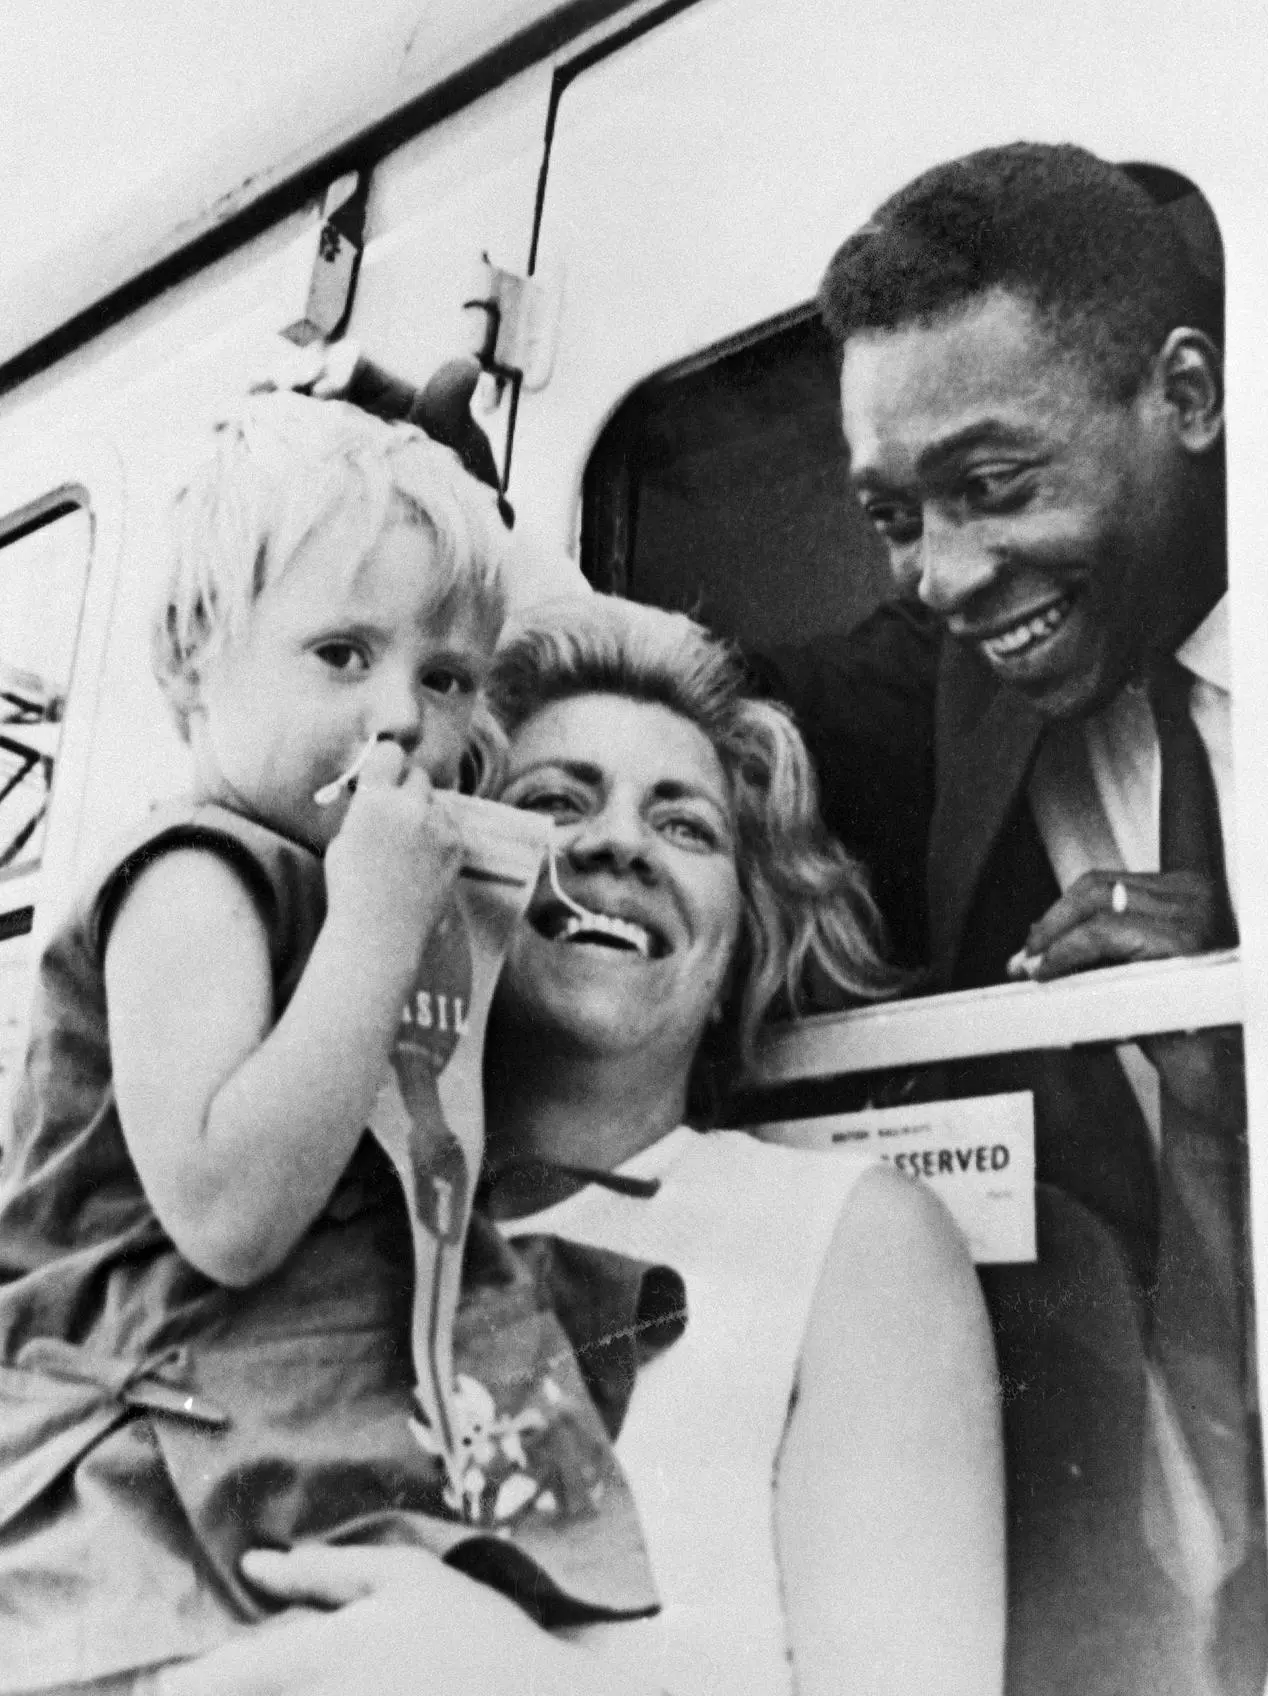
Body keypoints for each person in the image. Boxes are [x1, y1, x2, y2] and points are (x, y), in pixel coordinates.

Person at [162, 595, 1005, 1696]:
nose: (616, 844)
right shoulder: (292, 1219)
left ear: (737, 942)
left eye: (686, 825)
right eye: (554, 802)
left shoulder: (847, 1239)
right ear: (431, 880)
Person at [0, 399, 650, 1695]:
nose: (402, 717)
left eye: (446, 677)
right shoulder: (195, 875)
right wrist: (373, 928)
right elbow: (231, 1214)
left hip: (280, 1405)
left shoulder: (349, 869)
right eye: (343, 655)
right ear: (190, 661)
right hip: (140, 1450)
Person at [755, 143, 1265, 1693]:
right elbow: (728, 694)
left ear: (1185, 396)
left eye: (991, 487)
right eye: (893, 515)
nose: (947, 578)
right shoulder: (968, 679)